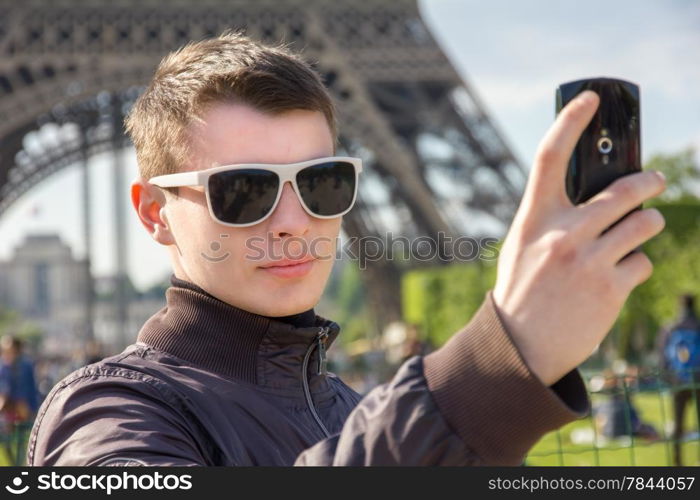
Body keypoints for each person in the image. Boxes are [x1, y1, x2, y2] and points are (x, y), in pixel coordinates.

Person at [27, 30, 666, 466]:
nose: (292, 221)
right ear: (154, 213)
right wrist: (492, 367)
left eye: (321, 183)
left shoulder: (361, 412)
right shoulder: (106, 412)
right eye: (243, 191)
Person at [657, 294, 700, 466]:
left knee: (678, 423)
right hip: (698, 379)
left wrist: (668, 377)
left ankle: (677, 462)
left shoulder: (670, 327)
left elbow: (662, 355)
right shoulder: (698, 326)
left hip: (678, 381)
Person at [0, 335, 39, 425]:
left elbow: (26, 389)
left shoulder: (25, 365)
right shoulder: (3, 365)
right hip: (8, 404)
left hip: (23, 405)